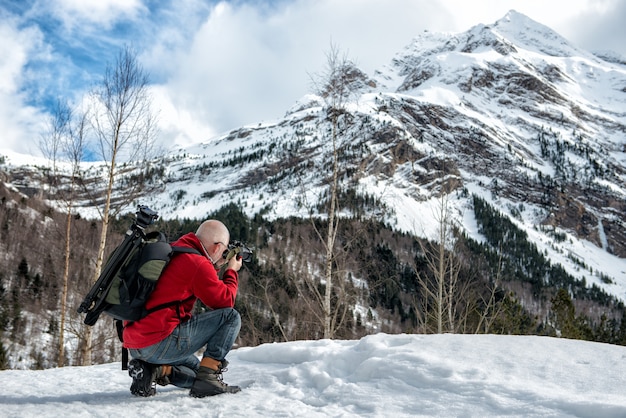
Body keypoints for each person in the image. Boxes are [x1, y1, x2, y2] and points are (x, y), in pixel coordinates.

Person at [122, 219, 243, 398]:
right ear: (217, 248)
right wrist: (231, 270)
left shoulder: (175, 250)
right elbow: (226, 301)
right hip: (159, 341)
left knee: (196, 371)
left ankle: (153, 371)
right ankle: (209, 379)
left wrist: (215, 265)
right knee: (231, 317)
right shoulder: (197, 263)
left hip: (136, 344)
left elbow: (196, 277)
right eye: (224, 250)